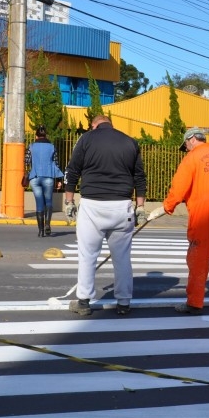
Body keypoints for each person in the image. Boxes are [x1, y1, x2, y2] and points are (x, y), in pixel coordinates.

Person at [149, 127, 209, 315]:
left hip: (203, 213)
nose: (187, 148)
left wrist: (167, 207)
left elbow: (179, 186)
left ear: (191, 139)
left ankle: (194, 302)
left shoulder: (192, 158)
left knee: (198, 258)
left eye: (186, 144)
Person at [63, 115, 147, 317]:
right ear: (111, 125)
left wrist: (69, 201)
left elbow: (73, 170)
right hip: (122, 206)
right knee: (122, 258)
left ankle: (83, 301)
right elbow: (139, 176)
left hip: (93, 205)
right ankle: (124, 302)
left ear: (94, 125)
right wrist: (140, 206)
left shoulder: (86, 139)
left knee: (87, 255)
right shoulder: (130, 141)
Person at [25, 126, 64, 237]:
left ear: (36, 136)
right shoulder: (52, 147)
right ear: (46, 135)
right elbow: (56, 163)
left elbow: (26, 161)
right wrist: (59, 179)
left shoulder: (32, 146)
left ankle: (41, 231)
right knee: (48, 201)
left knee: (39, 203)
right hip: (48, 177)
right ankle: (47, 224)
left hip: (35, 176)